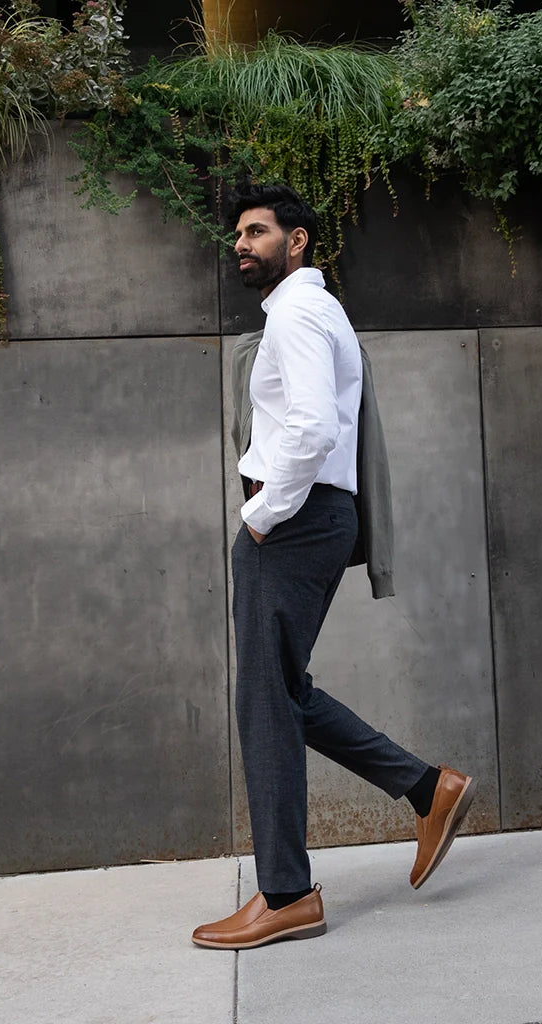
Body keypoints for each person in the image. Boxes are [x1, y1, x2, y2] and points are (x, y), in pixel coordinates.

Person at [191, 183, 477, 950]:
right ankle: (425, 788)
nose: (242, 245)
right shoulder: (304, 312)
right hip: (307, 517)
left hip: (292, 520)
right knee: (280, 691)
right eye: (238, 235)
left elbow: (314, 425)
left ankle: (285, 893)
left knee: (264, 699)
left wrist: (260, 514)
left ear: (299, 240)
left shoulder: (299, 312)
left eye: (257, 231)